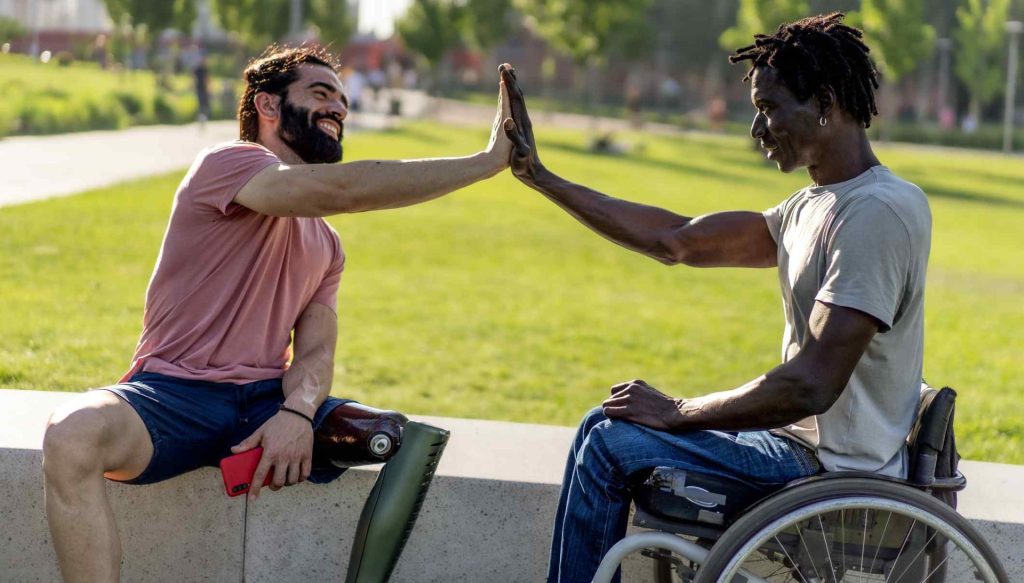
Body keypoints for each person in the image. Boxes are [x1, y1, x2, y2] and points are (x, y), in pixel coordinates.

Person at [41, 45, 514, 583]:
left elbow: (316, 349)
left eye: (341, 99)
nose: (338, 108)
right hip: (173, 395)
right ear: (267, 106)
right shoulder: (227, 164)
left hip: (268, 402)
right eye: (320, 94)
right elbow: (341, 189)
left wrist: (297, 411)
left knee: (406, 443)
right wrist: (484, 163)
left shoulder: (328, 246)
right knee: (71, 433)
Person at [500, 13, 931, 583]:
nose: (757, 127)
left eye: (771, 107)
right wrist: (545, 179)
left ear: (825, 102)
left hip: (830, 469)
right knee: (597, 426)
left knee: (610, 444)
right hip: (796, 449)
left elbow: (811, 384)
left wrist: (680, 411)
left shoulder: (876, 213)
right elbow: (676, 241)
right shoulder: (813, 205)